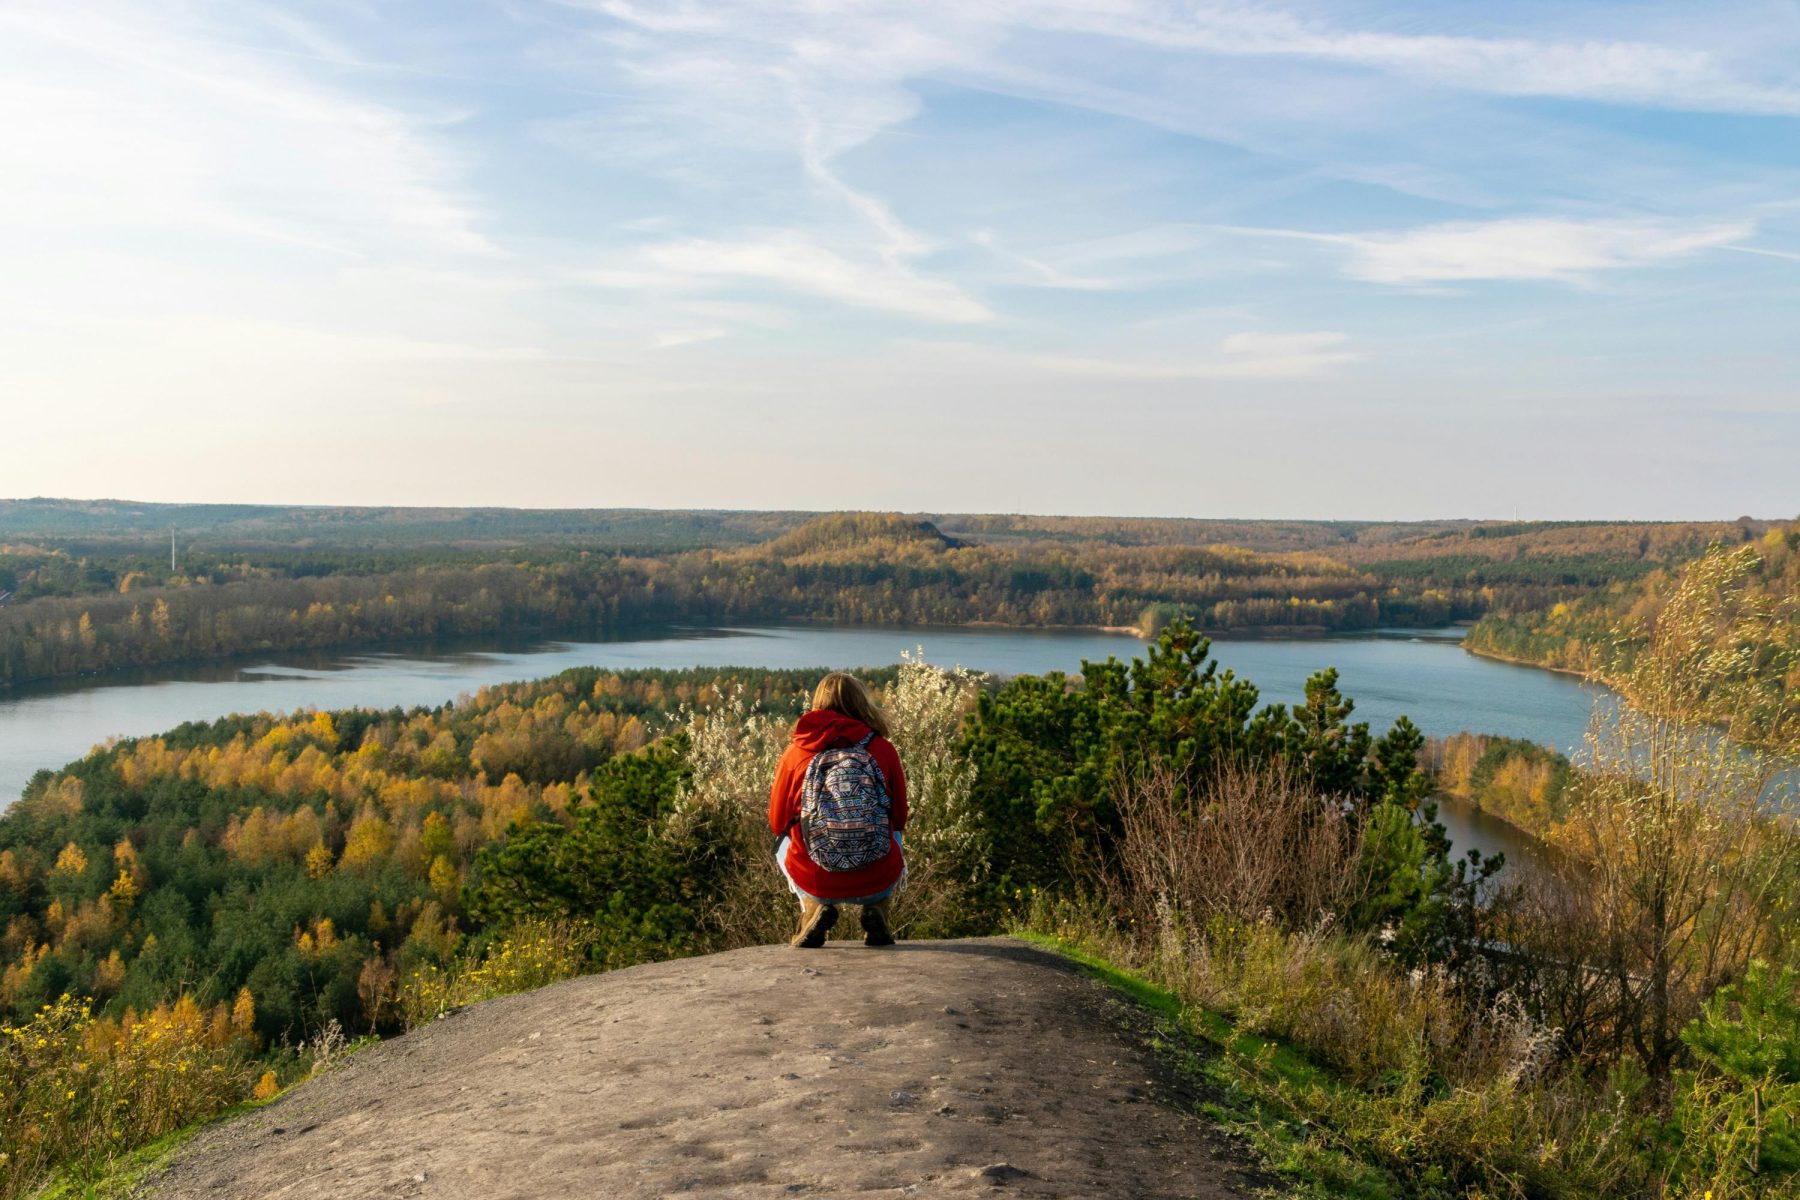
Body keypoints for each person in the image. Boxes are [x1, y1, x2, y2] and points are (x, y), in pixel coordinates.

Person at [768, 672, 907, 948]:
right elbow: (900, 817)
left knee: (781, 841)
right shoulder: (883, 750)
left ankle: (812, 907)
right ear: (861, 704)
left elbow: (776, 820)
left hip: (817, 878)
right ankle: (877, 907)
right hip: (877, 875)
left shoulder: (796, 753)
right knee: (896, 833)